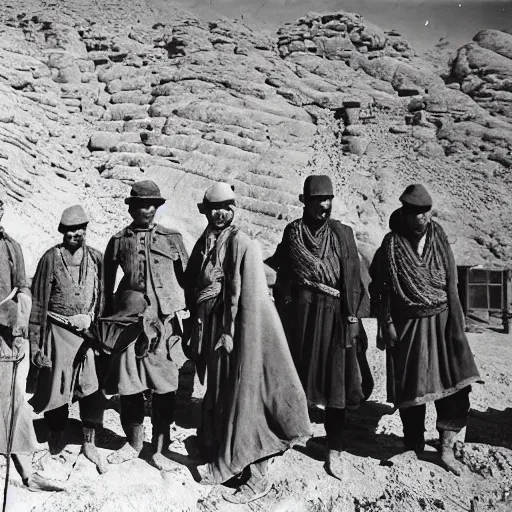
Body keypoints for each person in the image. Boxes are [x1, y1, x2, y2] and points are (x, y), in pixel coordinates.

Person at [184, 182, 311, 505]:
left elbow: (249, 299)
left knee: (249, 402)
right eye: (214, 208)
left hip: (241, 337)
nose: (220, 213)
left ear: (234, 208)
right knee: (222, 397)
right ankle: (227, 458)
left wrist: (230, 334)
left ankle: (258, 477)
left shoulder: (243, 243)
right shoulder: (206, 242)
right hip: (215, 335)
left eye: (226, 206)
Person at [265, 174, 372, 480]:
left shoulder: (342, 234)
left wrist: (353, 318)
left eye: (329, 200)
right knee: (293, 375)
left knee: (336, 381)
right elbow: (281, 267)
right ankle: (287, 434)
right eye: (318, 200)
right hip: (300, 315)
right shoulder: (294, 232)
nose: (325, 206)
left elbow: (355, 279)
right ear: (305, 202)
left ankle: (335, 448)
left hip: (335, 315)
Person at [369, 184, 480, 475]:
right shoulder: (390, 246)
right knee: (411, 386)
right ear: (405, 213)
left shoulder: (439, 237)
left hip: (442, 320)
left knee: (455, 382)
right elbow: (379, 290)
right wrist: (387, 323)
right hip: (407, 325)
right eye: (417, 213)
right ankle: (413, 444)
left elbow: (451, 283)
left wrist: (457, 325)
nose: (423, 218)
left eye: (426, 212)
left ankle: (446, 447)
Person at [102, 180, 189, 471]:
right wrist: (105, 324)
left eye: (153, 205)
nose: (148, 210)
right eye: (142, 205)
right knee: (129, 385)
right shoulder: (118, 240)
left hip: (163, 323)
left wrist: (187, 320)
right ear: (132, 208)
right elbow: (105, 286)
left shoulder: (172, 239)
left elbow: (188, 280)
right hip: (127, 324)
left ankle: (160, 449)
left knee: (164, 386)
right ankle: (134, 443)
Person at [29, 205, 107, 474]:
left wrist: (93, 323)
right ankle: (56, 437)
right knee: (56, 390)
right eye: (70, 229)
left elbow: (103, 297)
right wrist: (36, 345)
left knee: (91, 389)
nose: (76, 234)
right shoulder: (50, 258)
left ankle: (89, 443)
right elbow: (38, 303)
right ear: (63, 232)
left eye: (80, 229)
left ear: (86, 230)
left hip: (87, 336)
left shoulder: (96, 258)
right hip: (57, 333)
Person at [0, 192, 64, 492]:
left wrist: (19, 314)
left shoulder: (11, 246)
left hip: (5, 335)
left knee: (11, 396)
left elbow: (23, 287)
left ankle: (24, 467)